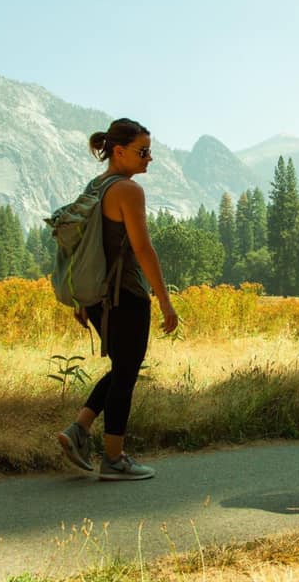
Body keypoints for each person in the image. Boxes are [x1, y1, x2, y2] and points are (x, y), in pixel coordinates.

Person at [57, 118, 179, 481]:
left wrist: (83, 299)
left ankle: (79, 430)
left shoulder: (97, 186)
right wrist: (165, 301)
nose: (149, 158)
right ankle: (114, 458)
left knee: (122, 367)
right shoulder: (127, 190)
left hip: (97, 297)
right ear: (119, 151)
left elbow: (87, 246)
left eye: (150, 151)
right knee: (126, 373)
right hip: (125, 296)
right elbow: (143, 249)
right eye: (143, 151)